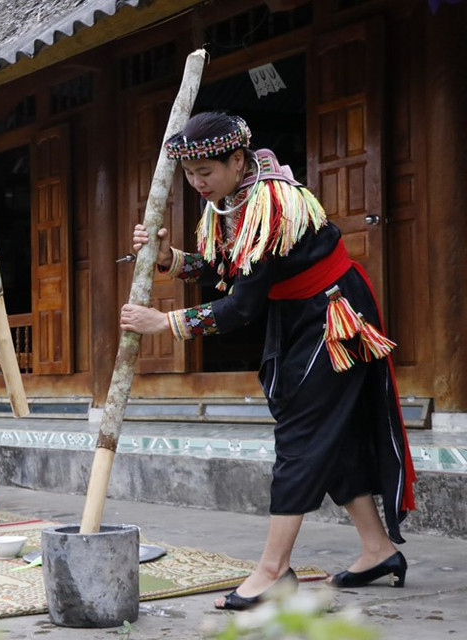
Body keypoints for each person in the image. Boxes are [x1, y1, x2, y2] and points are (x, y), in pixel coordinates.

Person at [120, 112, 416, 611]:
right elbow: (224, 269)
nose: (197, 184)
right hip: (298, 315)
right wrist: (171, 258)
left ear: (237, 160)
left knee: (300, 438)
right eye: (189, 176)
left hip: (333, 316)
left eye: (205, 172)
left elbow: (241, 306)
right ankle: (378, 549)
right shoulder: (231, 200)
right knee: (331, 437)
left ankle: (273, 571)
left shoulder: (273, 205)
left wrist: (165, 323)